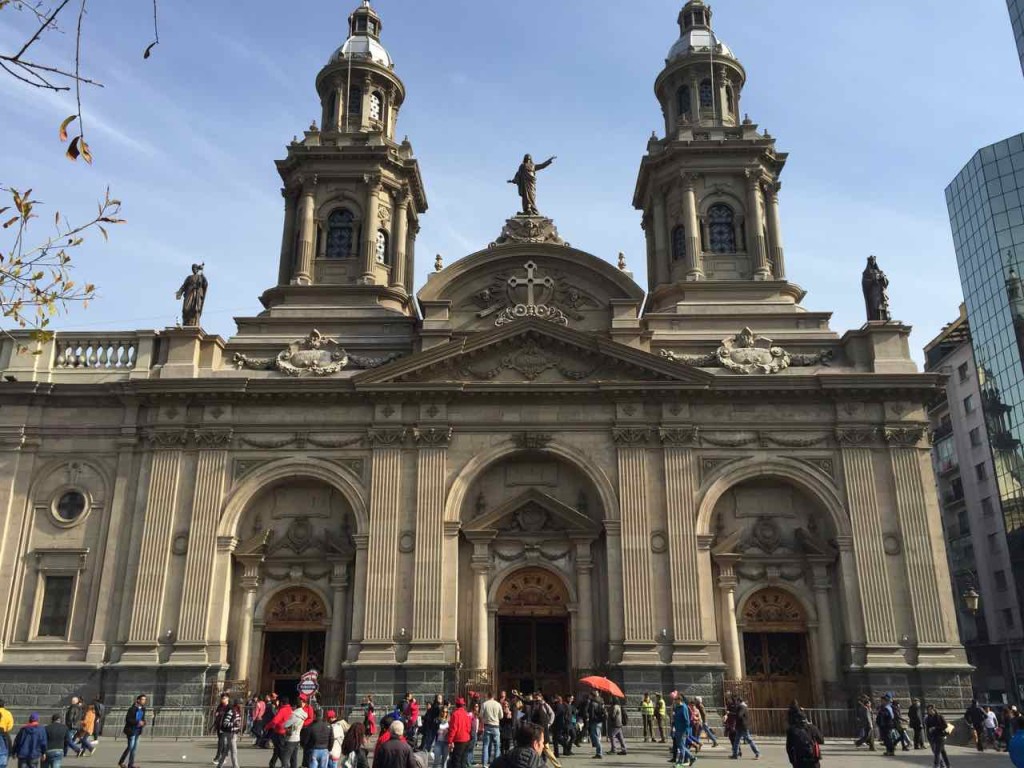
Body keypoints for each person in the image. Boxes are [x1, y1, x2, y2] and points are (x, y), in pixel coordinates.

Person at [118, 694, 146, 768]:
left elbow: (143, 719)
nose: (144, 701)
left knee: (134, 749)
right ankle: (121, 762)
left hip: (138, 731)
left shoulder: (143, 709)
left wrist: (144, 722)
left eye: (145, 699)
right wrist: (137, 722)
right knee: (130, 747)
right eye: (143, 699)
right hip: (131, 730)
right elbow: (128, 719)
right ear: (138, 700)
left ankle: (131, 765)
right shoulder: (132, 709)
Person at [268, 696, 295, 768]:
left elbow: (275, 720)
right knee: (278, 748)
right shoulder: (290, 709)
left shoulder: (282, 710)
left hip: (279, 731)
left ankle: (285, 764)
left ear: (281, 703)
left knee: (280, 749)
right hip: (286, 731)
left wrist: (267, 726)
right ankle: (272, 763)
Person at [730, 695, 760, 760]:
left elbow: (739, 715)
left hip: (743, 726)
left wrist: (733, 713)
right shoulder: (743, 706)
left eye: (737, 701)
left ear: (739, 701)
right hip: (740, 726)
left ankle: (757, 753)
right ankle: (735, 754)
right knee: (736, 741)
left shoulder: (742, 707)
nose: (736, 702)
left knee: (748, 740)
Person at [216, 699, 243, 768]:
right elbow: (225, 723)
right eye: (240, 704)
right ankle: (236, 766)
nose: (242, 706)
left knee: (226, 751)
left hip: (234, 734)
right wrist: (234, 724)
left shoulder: (238, 712)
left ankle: (219, 765)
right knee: (234, 751)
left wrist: (238, 727)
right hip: (230, 734)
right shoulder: (232, 712)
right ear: (237, 705)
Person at [280, 702, 307, 768]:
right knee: (294, 758)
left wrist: (284, 723)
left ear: (295, 706)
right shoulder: (303, 714)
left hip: (291, 738)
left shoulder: (295, 714)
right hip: (297, 737)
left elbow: (285, 724)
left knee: (285, 758)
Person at [449, 698, 472, 768]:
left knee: (456, 761)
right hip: (467, 739)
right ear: (463, 705)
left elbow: (453, 728)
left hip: (459, 740)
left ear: (456, 705)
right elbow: (469, 728)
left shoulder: (455, 714)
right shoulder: (466, 714)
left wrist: (450, 740)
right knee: (463, 761)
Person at [924, 704, 950, 768]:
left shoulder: (939, 716)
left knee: (937, 752)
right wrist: (929, 736)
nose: (930, 711)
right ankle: (948, 765)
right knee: (943, 752)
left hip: (941, 736)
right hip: (933, 737)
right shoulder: (928, 718)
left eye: (931, 710)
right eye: (928, 710)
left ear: (934, 709)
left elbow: (945, 726)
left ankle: (936, 765)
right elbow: (928, 728)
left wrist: (935, 728)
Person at [481, 692, 503, 766]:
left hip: (487, 726)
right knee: (497, 746)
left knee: (486, 745)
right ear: (494, 696)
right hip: (496, 726)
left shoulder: (484, 704)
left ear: (488, 696)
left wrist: (485, 719)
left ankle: (484, 764)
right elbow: (501, 716)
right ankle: (496, 763)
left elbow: (481, 715)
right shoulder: (498, 704)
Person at [213, 693, 232, 764]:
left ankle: (218, 757)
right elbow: (217, 713)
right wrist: (217, 714)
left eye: (224, 698)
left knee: (221, 742)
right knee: (222, 742)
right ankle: (223, 756)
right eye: (222, 698)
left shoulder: (230, 707)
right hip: (219, 726)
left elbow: (231, 716)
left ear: (228, 698)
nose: (222, 700)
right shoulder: (220, 706)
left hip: (226, 727)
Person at [585, 693, 604, 759]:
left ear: (592, 696)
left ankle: (599, 753)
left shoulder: (592, 704)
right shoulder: (600, 702)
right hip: (599, 722)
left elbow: (591, 714)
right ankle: (599, 752)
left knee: (596, 737)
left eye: (590, 695)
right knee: (597, 736)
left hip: (594, 722)